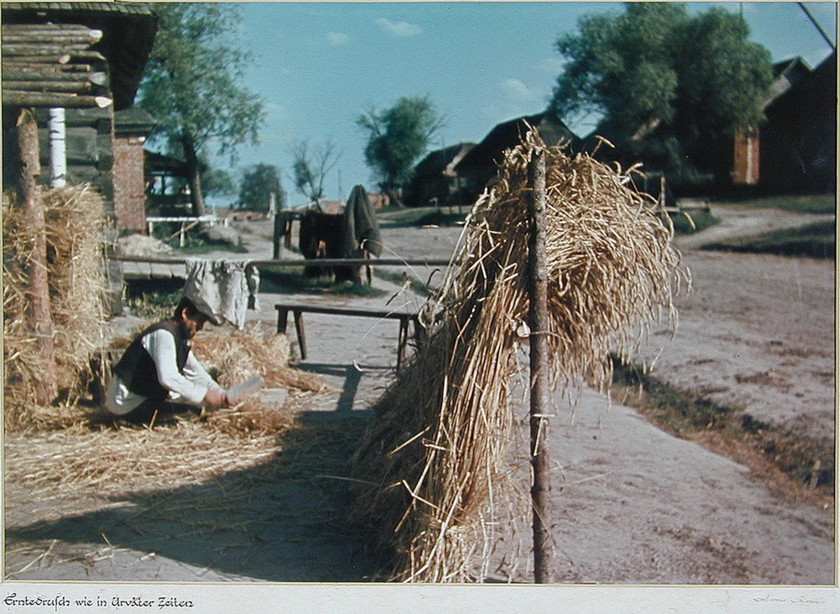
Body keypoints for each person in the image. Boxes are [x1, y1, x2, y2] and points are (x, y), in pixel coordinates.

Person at [105, 296, 228, 423]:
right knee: (193, 414)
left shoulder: (179, 340)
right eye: (199, 321)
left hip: (143, 400)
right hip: (127, 404)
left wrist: (223, 396)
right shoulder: (163, 335)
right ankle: (125, 421)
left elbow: (197, 373)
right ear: (185, 314)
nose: (200, 328)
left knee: (197, 408)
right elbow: (168, 378)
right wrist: (204, 395)